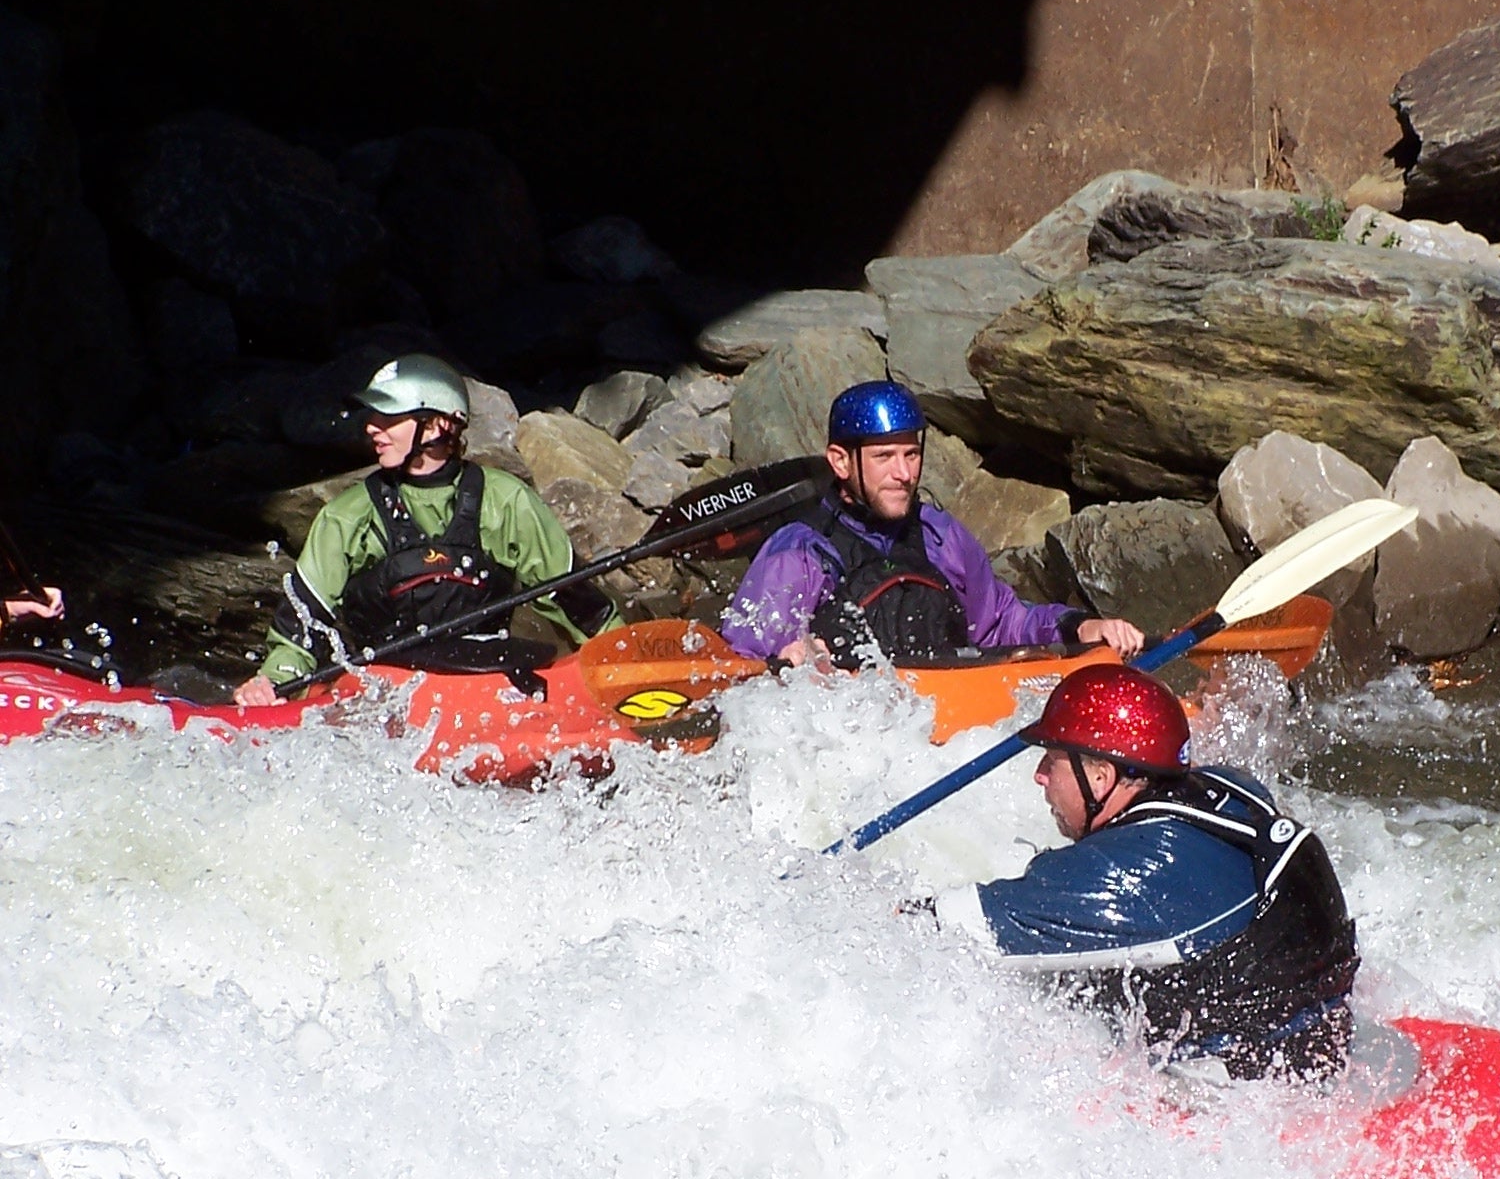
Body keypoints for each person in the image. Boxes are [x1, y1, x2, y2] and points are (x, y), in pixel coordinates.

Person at [936, 665, 1360, 1083]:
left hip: (1247, 1091)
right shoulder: (1232, 788)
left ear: (1101, 778)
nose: (1040, 776)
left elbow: (944, 929)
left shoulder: (1123, 873)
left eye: (1052, 760)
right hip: (1326, 1030)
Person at [232, 355, 617, 705]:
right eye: (373, 416)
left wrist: (626, 660)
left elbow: (578, 606)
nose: (371, 428)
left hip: (490, 686)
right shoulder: (347, 517)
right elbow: (301, 626)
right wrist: (272, 682)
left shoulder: (506, 503)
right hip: (387, 695)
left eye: (389, 417)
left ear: (439, 425)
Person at [720, 380, 1145, 668]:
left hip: (942, 729)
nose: (904, 473)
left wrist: (1080, 626)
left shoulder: (940, 536)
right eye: (884, 458)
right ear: (840, 461)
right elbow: (738, 668)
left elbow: (1000, 624)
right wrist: (785, 662)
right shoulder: (800, 552)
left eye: (911, 454)